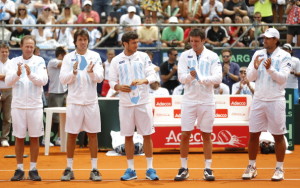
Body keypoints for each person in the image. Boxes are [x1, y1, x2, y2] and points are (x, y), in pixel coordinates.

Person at [242, 28, 291, 181]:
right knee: (254, 134)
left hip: (276, 99)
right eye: (264, 38)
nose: (265, 40)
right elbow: (249, 77)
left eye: (269, 38)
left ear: (276, 40)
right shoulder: (258, 54)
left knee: (278, 135)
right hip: (259, 99)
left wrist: (269, 69)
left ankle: (279, 168)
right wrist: (255, 68)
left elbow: (283, 78)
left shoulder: (285, 56)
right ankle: (251, 166)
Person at [109, 31, 159, 181]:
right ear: (125, 44)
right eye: (133, 43)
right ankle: (131, 170)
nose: (137, 45)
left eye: (137, 42)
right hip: (125, 104)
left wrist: (143, 81)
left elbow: (153, 76)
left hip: (143, 102)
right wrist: (118, 87)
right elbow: (111, 81)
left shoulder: (143, 57)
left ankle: (150, 168)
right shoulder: (116, 60)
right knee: (128, 136)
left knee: (147, 135)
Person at [174, 28, 222, 181]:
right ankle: (183, 168)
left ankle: (208, 168)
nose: (193, 44)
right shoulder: (184, 56)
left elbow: (218, 77)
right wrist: (190, 76)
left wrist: (204, 80)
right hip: (189, 99)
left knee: (206, 135)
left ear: (203, 41)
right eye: (191, 41)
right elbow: (181, 78)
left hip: (207, 100)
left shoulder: (213, 56)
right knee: (185, 135)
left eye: (196, 41)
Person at [59, 29, 104, 181]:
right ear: (75, 41)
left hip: (91, 101)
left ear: (88, 41)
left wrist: (91, 72)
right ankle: (69, 168)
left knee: (92, 135)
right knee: (72, 134)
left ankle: (95, 169)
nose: (83, 42)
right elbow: (63, 79)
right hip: (74, 102)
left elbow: (100, 77)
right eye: (80, 39)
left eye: (85, 39)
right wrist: (73, 73)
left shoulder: (95, 56)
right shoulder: (68, 58)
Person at [5, 35, 48, 181]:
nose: (29, 49)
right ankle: (19, 169)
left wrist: (31, 75)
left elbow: (43, 80)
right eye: (27, 46)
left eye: (31, 46)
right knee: (19, 137)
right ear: (21, 46)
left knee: (35, 138)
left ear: (34, 47)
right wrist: (17, 74)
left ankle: (33, 168)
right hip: (18, 105)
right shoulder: (14, 62)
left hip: (35, 104)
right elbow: (8, 81)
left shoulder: (40, 61)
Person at [47, 46, 68, 146]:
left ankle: (59, 138)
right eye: (65, 55)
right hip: (54, 93)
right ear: (60, 55)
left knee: (63, 118)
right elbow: (62, 63)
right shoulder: (53, 61)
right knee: (52, 118)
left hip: (64, 92)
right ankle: (46, 139)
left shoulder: (65, 63)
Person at [0, 44, 12, 147]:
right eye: (2, 52)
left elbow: (13, 77)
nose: (4, 53)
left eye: (6, 52)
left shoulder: (12, 63)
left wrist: (4, 77)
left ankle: (4, 138)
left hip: (9, 91)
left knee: (7, 117)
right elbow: (8, 77)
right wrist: (6, 77)